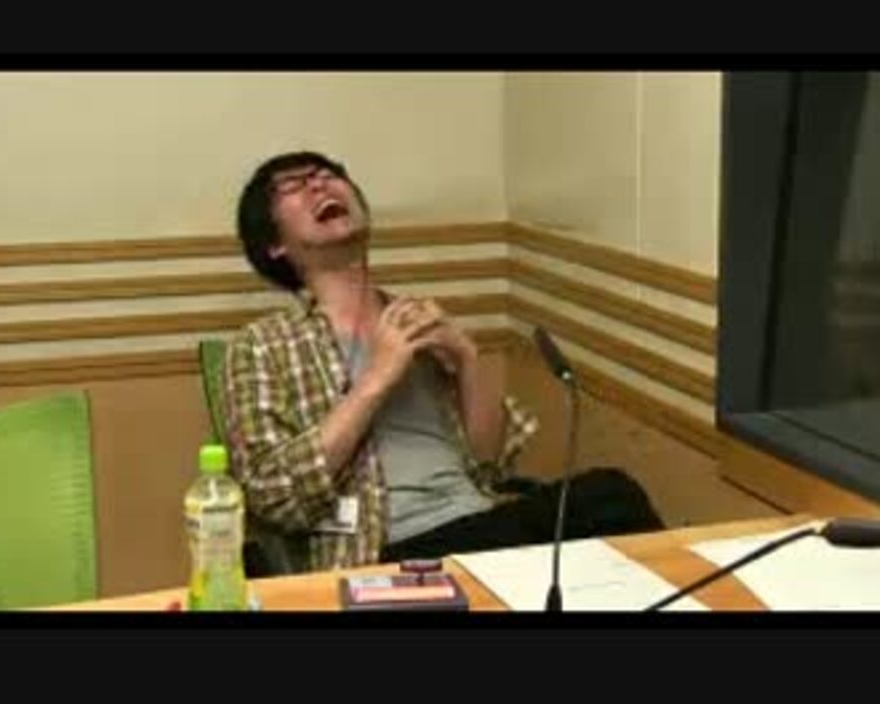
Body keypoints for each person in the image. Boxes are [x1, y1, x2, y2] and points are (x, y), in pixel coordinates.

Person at [222, 150, 663, 575]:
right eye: (295, 185)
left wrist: (468, 359)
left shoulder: (418, 322)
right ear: (274, 245)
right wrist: (379, 376)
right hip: (385, 552)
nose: (320, 184)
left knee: (611, 496)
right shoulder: (261, 345)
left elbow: (490, 464)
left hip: (480, 522)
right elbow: (273, 495)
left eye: (328, 175)